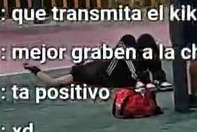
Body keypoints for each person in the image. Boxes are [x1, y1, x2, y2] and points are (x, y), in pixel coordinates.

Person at [25, 34, 170, 90]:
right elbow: (53, 82)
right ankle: (145, 78)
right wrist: (36, 70)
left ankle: (158, 79)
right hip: (110, 75)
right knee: (127, 39)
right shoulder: (80, 72)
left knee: (143, 40)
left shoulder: (96, 62)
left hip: (128, 69)